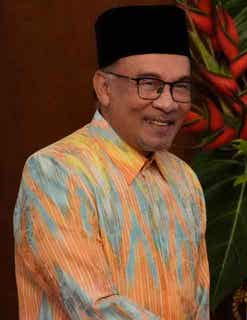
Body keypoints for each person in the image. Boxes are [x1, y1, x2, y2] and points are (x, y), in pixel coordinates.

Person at [13, 5, 210, 319]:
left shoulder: (184, 180)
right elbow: (96, 308)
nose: (167, 103)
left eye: (180, 87)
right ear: (104, 88)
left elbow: (199, 307)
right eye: (149, 84)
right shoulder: (57, 172)